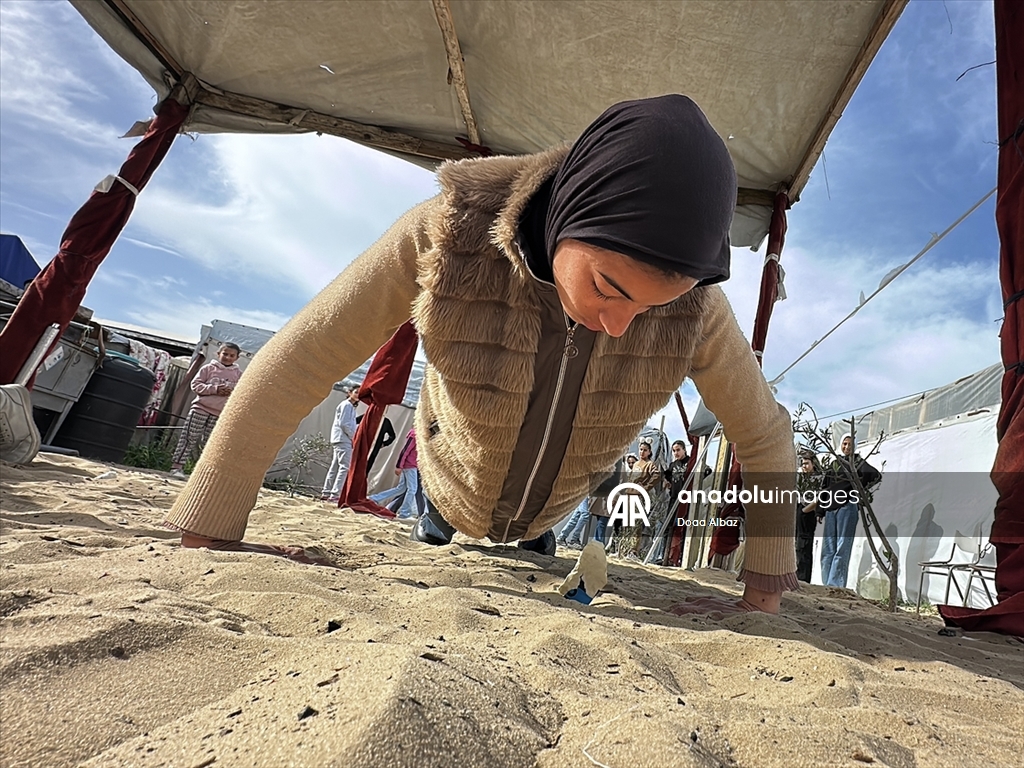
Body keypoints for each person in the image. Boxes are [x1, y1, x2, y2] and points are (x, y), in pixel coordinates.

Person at [164, 95, 797, 616]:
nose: (619, 325)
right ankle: (441, 516)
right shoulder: (449, 233)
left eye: (655, 305)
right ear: (570, 211)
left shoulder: (697, 312)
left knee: (536, 537)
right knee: (442, 515)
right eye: (609, 287)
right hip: (446, 492)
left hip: (551, 515)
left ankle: (534, 529)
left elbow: (765, 436)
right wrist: (213, 522)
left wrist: (763, 588)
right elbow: (302, 357)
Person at [170, 343, 241, 478]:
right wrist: (214, 389)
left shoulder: (239, 375)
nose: (227, 357)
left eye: (231, 355)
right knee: (189, 437)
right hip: (201, 408)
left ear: (237, 358)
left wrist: (230, 392)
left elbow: (242, 393)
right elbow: (195, 385)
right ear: (218, 354)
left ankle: (203, 472)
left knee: (211, 443)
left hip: (220, 414)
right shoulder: (208, 369)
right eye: (225, 354)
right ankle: (176, 467)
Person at [819, 434, 881, 588]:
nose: (847, 447)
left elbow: (875, 475)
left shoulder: (858, 464)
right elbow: (825, 488)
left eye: (850, 445)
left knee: (842, 547)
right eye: (844, 444)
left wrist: (856, 490)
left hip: (847, 507)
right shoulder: (835, 464)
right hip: (831, 509)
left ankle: (836, 585)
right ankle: (826, 585)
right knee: (828, 549)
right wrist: (820, 510)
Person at [368, 428, 421, 519]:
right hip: (409, 465)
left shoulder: (419, 434)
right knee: (412, 489)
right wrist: (399, 466)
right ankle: (405, 513)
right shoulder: (414, 434)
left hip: (411, 465)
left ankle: (374, 498)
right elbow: (405, 450)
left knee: (401, 488)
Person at [321, 387, 359, 503]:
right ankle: (335, 494)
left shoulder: (350, 407)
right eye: (356, 392)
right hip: (343, 439)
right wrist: (353, 438)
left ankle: (326, 492)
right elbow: (344, 424)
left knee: (335, 466)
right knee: (344, 467)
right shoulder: (346, 405)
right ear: (349, 393)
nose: (358, 395)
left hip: (341, 438)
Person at [795, 451, 823, 583]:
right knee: (797, 545)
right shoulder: (802, 477)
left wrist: (806, 510)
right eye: (802, 464)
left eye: (806, 463)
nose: (804, 466)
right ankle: (796, 574)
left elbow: (819, 498)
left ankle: (803, 578)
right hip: (799, 508)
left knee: (804, 545)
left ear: (813, 463)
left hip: (808, 512)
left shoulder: (819, 478)